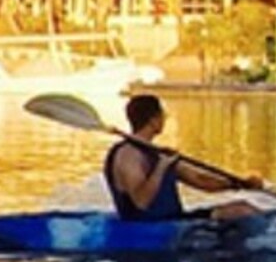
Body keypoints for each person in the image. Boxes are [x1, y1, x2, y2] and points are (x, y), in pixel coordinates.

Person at [103, 93, 265, 221]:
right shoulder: (128, 156)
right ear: (153, 120)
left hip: (173, 220)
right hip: (148, 226)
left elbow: (201, 180)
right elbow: (141, 202)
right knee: (242, 211)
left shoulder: (157, 153)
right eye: (162, 115)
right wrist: (161, 167)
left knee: (242, 208)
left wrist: (239, 184)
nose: (165, 119)